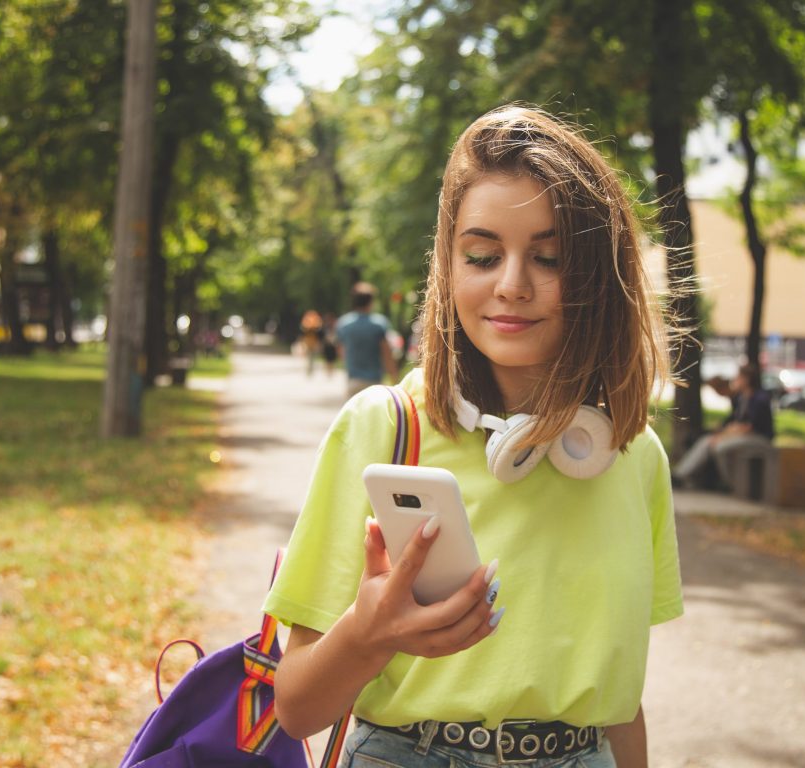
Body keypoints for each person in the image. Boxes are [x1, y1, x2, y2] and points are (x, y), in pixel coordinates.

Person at [265, 105, 683, 768]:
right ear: (449, 266)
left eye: (549, 258)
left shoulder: (635, 460)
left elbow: (621, 705)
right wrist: (368, 636)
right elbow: (296, 708)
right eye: (483, 255)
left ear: (600, 280)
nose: (511, 286)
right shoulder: (381, 428)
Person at [671, 362, 775, 490]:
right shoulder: (741, 398)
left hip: (760, 438)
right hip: (743, 436)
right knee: (706, 441)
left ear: (746, 379)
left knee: (720, 447)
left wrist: (723, 436)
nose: (735, 380)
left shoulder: (760, 399)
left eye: (738, 377)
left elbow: (749, 427)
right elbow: (732, 421)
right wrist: (721, 433)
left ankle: (730, 484)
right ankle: (680, 474)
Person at [335, 282, 398, 398]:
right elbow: (386, 353)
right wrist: (394, 377)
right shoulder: (379, 324)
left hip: (353, 380)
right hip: (374, 383)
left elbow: (341, 351)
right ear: (371, 302)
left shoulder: (344, 324)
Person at [300, 309, 323, 376]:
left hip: (309, 341)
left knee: (310, 356)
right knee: (311, 356)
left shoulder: (307, 321)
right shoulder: (315, 321)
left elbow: (302, 330)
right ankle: (310, 368)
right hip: (311, 341)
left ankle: (309, 369)